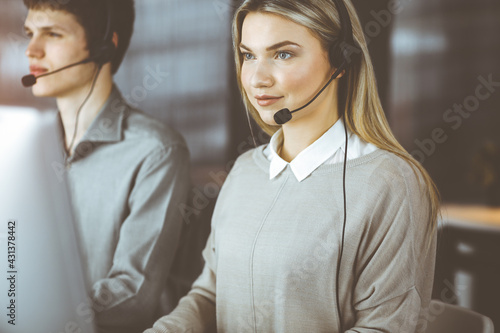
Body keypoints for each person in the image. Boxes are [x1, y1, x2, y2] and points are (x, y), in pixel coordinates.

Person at [145, 0, 440, 332]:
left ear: (341, 62)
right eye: (248, 55)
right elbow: (210, 295)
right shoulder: (245, 171)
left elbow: (384, 327)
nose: (257, 78)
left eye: (283, 54)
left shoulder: (390, 183)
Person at [23, 1, 191, 332]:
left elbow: (135, 293)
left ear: (104, 45)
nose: (32, 50)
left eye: (52, 34)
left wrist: (39, 317)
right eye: (29, 34)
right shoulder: (25, 147)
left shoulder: (155, 150)